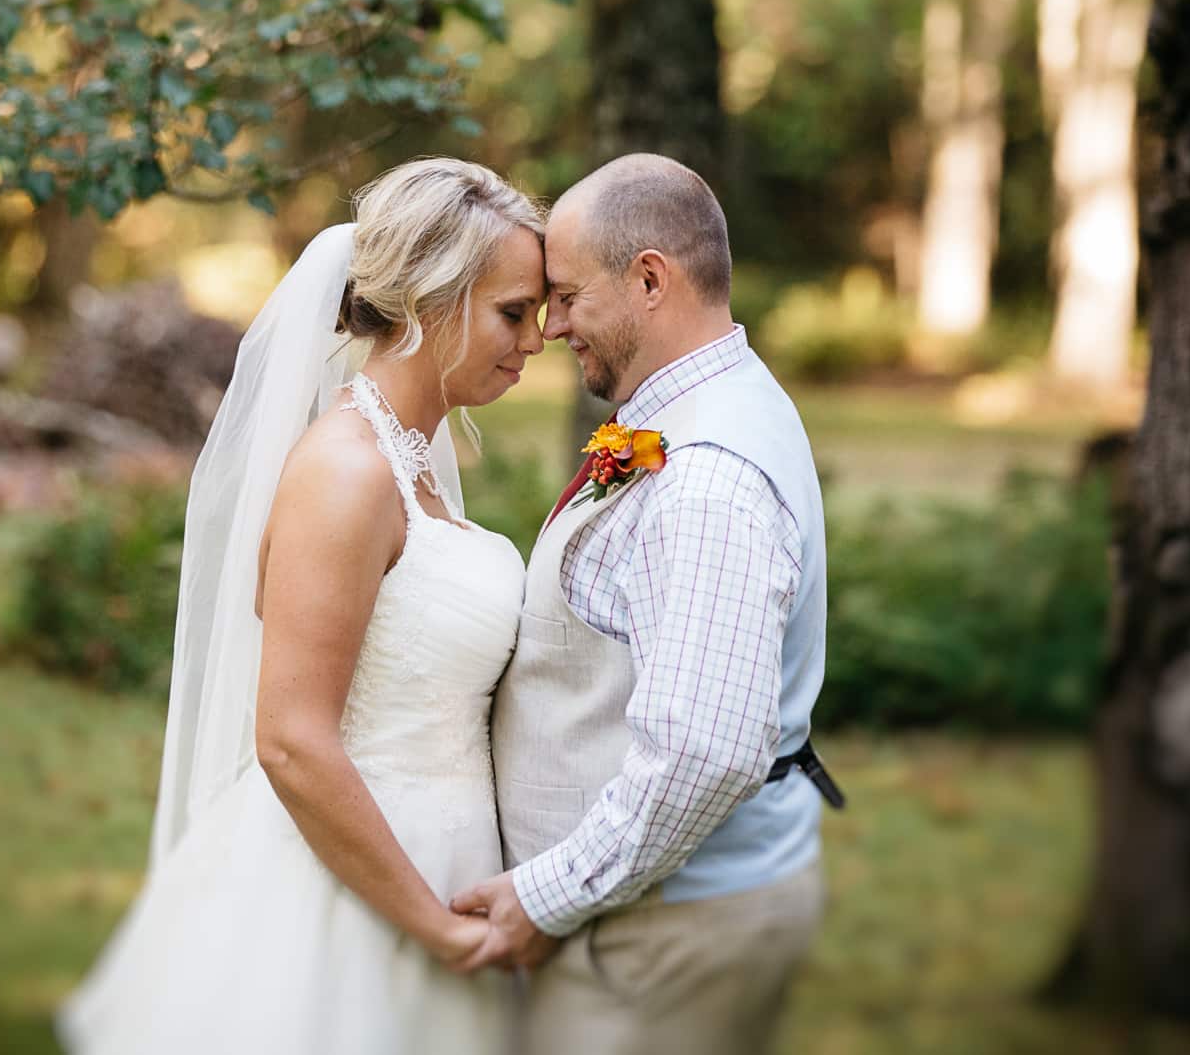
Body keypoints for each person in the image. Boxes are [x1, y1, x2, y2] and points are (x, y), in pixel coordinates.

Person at [55, 156, 545, 1055]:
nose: (537, 339)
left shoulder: (415, 465)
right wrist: (430, 926)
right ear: (436, 300)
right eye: (515, 312)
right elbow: (290, 735)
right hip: (355, 895)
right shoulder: (346, 471)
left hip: (452, 860)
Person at [456, 152, 840, 1055]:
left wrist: (547, 895)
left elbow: (706, 749)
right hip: (660, 921)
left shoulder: (707, 480)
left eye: (567, 295)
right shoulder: (709, 401)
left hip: (662, 936)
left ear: (651, 279)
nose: (550, 327)